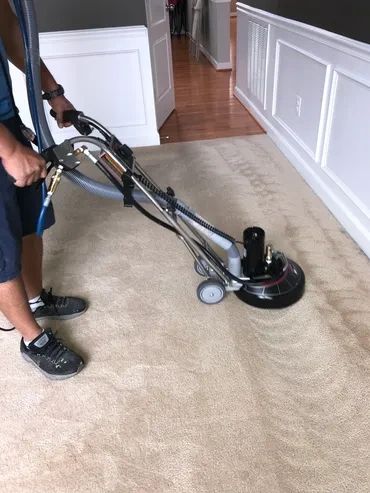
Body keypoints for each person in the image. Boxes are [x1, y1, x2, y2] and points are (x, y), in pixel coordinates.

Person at [0, 0, 85, 379]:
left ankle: (35, 301)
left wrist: (53, 92)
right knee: (2, 250)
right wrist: (10, 151)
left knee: (30, 220)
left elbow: (13, 33)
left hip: (5, 120)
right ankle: (31, 338)